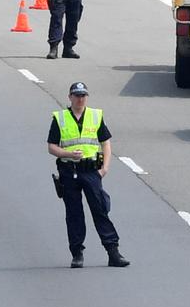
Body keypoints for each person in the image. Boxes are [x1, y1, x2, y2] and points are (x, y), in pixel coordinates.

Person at [47, 82, 129, 269]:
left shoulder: (94, 116)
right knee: (74, 214)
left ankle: (113, 252)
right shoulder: (60, 118)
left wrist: (105, 168)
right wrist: (68, 154)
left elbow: (106, 143)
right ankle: (77, 254)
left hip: (91, 170)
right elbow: (51, 147)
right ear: (70, 97)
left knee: (100, 210)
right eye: (76, 95)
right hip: (69, 171)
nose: (80, 98)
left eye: (83, 95)